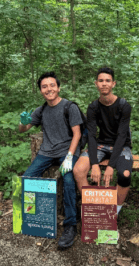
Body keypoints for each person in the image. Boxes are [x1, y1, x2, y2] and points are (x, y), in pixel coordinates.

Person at [19, 71, 82, 249]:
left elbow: (77, 133)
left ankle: (70, 225)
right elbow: (23, 129)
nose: (49, 89)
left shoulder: (70, 107)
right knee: (27, 178)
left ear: (58, 87)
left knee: (68, 180)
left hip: (68, 151)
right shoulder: (42, 109)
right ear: (41, 90)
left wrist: (70, 157)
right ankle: (35, 218)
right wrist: (23, 122)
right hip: (47, 151)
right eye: (44, 87)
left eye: (52, 85)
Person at [73, 67, 132, 215]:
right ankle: (93, 207)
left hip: (121, 146)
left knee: (124, 174)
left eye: (107, 80)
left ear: (113, 84)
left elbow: (121, 136)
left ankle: (114, 212)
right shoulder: (93, 107)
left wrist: (111, 166)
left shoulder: (123, 106)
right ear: (96, 84)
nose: (104, 84)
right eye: (101, 81)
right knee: (78, 170)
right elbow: (92, 136)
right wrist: (94, 164)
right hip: (100, 145)